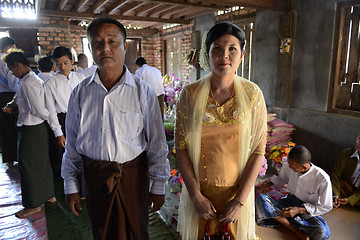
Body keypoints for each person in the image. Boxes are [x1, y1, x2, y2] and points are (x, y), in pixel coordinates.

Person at [61, 17, 170, 240]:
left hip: (133, 178)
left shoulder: (142, 91)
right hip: (96, 179)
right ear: (90, 48)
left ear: (125, 46)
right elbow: (72, 144)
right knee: (102, 232)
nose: (106, 48)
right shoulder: (80, 93)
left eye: (113, 41)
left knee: (137, 231)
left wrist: (158, 184)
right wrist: (70, 185)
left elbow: (157, 142)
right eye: (98, 43)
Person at [175, 22, 267, 239]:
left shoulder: (253, 94)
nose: (224, 55)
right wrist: (196, 196)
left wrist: (240, 201)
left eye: (232, 49)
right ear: (207, 55)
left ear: (242, 54)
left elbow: (258, 151)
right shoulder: (189, 95)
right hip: (200, 194)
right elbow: (181, 149)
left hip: (237, 195)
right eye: (217, 48)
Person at [2, 49, 55, 218]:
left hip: (32, 129)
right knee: (41, 163)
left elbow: (39, 110)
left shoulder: (28, 83)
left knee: (27, 166)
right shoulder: (31, 79)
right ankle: (48, 195)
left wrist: (51, 120)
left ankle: (33, 205)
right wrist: (17, 108)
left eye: (12, 69)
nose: (12, 73)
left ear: (18, 65)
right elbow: (27, 103)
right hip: (36, 128)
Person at [255, 145, 332, 240]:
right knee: (261, 199)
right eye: (289, 164)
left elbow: (326, 206)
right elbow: (280, 178)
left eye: (293, 167)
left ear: (304, 167)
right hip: (288, 202)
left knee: (323, 233)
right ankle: (292, 227)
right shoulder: (290, 165)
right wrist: (268, 185)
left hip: (306, 210)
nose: (289, 167)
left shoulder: (323, 179)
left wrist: (299, 210)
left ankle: (281, 219)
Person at [44, 47, 85, 176]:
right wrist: (58, 133)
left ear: (72, 61)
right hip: (63, 120)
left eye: (65, 63)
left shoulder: (81, 78)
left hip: (82, 118)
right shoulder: (50, 83)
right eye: (58, 64)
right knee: (66, 154)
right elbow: (50, 110)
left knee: (83, 152)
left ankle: (84, 185)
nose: (62, 67)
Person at [0, 37, 19, 168]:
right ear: (7, 47)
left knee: (4, 130)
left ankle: (10, 161)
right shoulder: (7, 61)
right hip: (9, 97)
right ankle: (19, 157)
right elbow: (13, 85)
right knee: (15, 128)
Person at [331, 135, 360, 207]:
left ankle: (349, 201)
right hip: (344, 187)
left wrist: (350, 200)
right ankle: (338, 199)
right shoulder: (347, 154)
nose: (357, 146)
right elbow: (335, 174)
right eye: (358, 142)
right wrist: (336, 195)